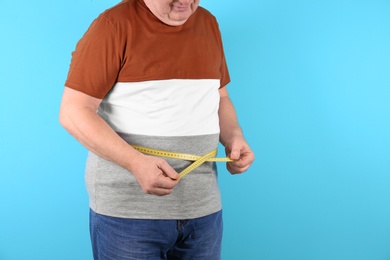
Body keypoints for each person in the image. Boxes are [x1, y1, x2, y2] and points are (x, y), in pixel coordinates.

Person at [59, 0, 254, 259]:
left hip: (202, 209)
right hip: (129, 215)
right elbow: (73, 112)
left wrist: (234, 136)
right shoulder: (112, 26)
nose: (185, 1)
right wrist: (135, 162)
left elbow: (220, 97)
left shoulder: (208, 22)